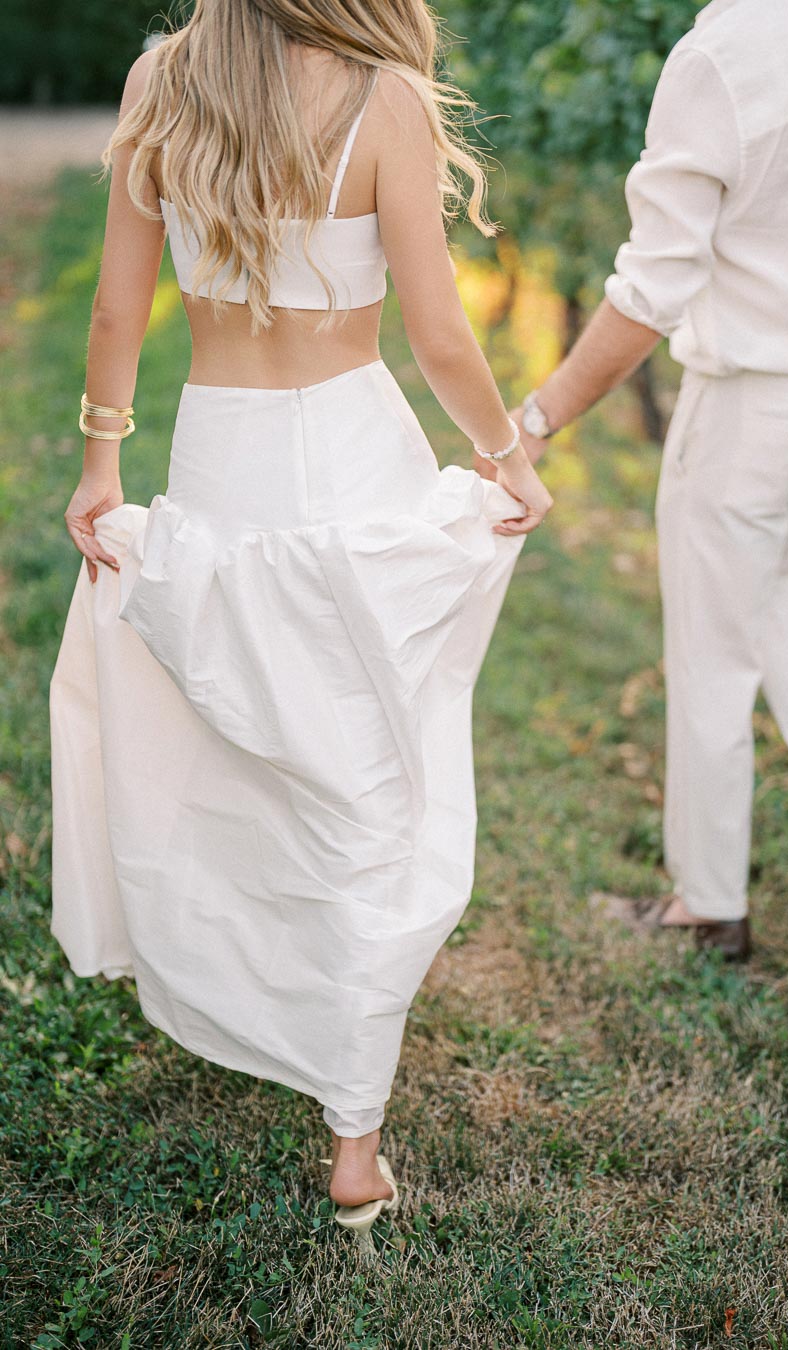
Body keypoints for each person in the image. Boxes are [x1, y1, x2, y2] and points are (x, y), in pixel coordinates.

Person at [49, 0, 551, 1246]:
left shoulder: (160, 79)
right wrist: (505, 457)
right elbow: (437, 329)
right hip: (348, 462)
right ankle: (355, 1142)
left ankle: (265, 1002)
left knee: (247, 738)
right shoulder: (384, 97)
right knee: (368, 774)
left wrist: (100, 467)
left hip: (220, 459)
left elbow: (119, 313)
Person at [507, 0, 788, 959]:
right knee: (768, 586)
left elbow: (652, 290)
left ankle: (710, 904)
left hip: (751, 407)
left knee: (712, 650)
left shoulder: (716, 58)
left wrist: (538, 416)